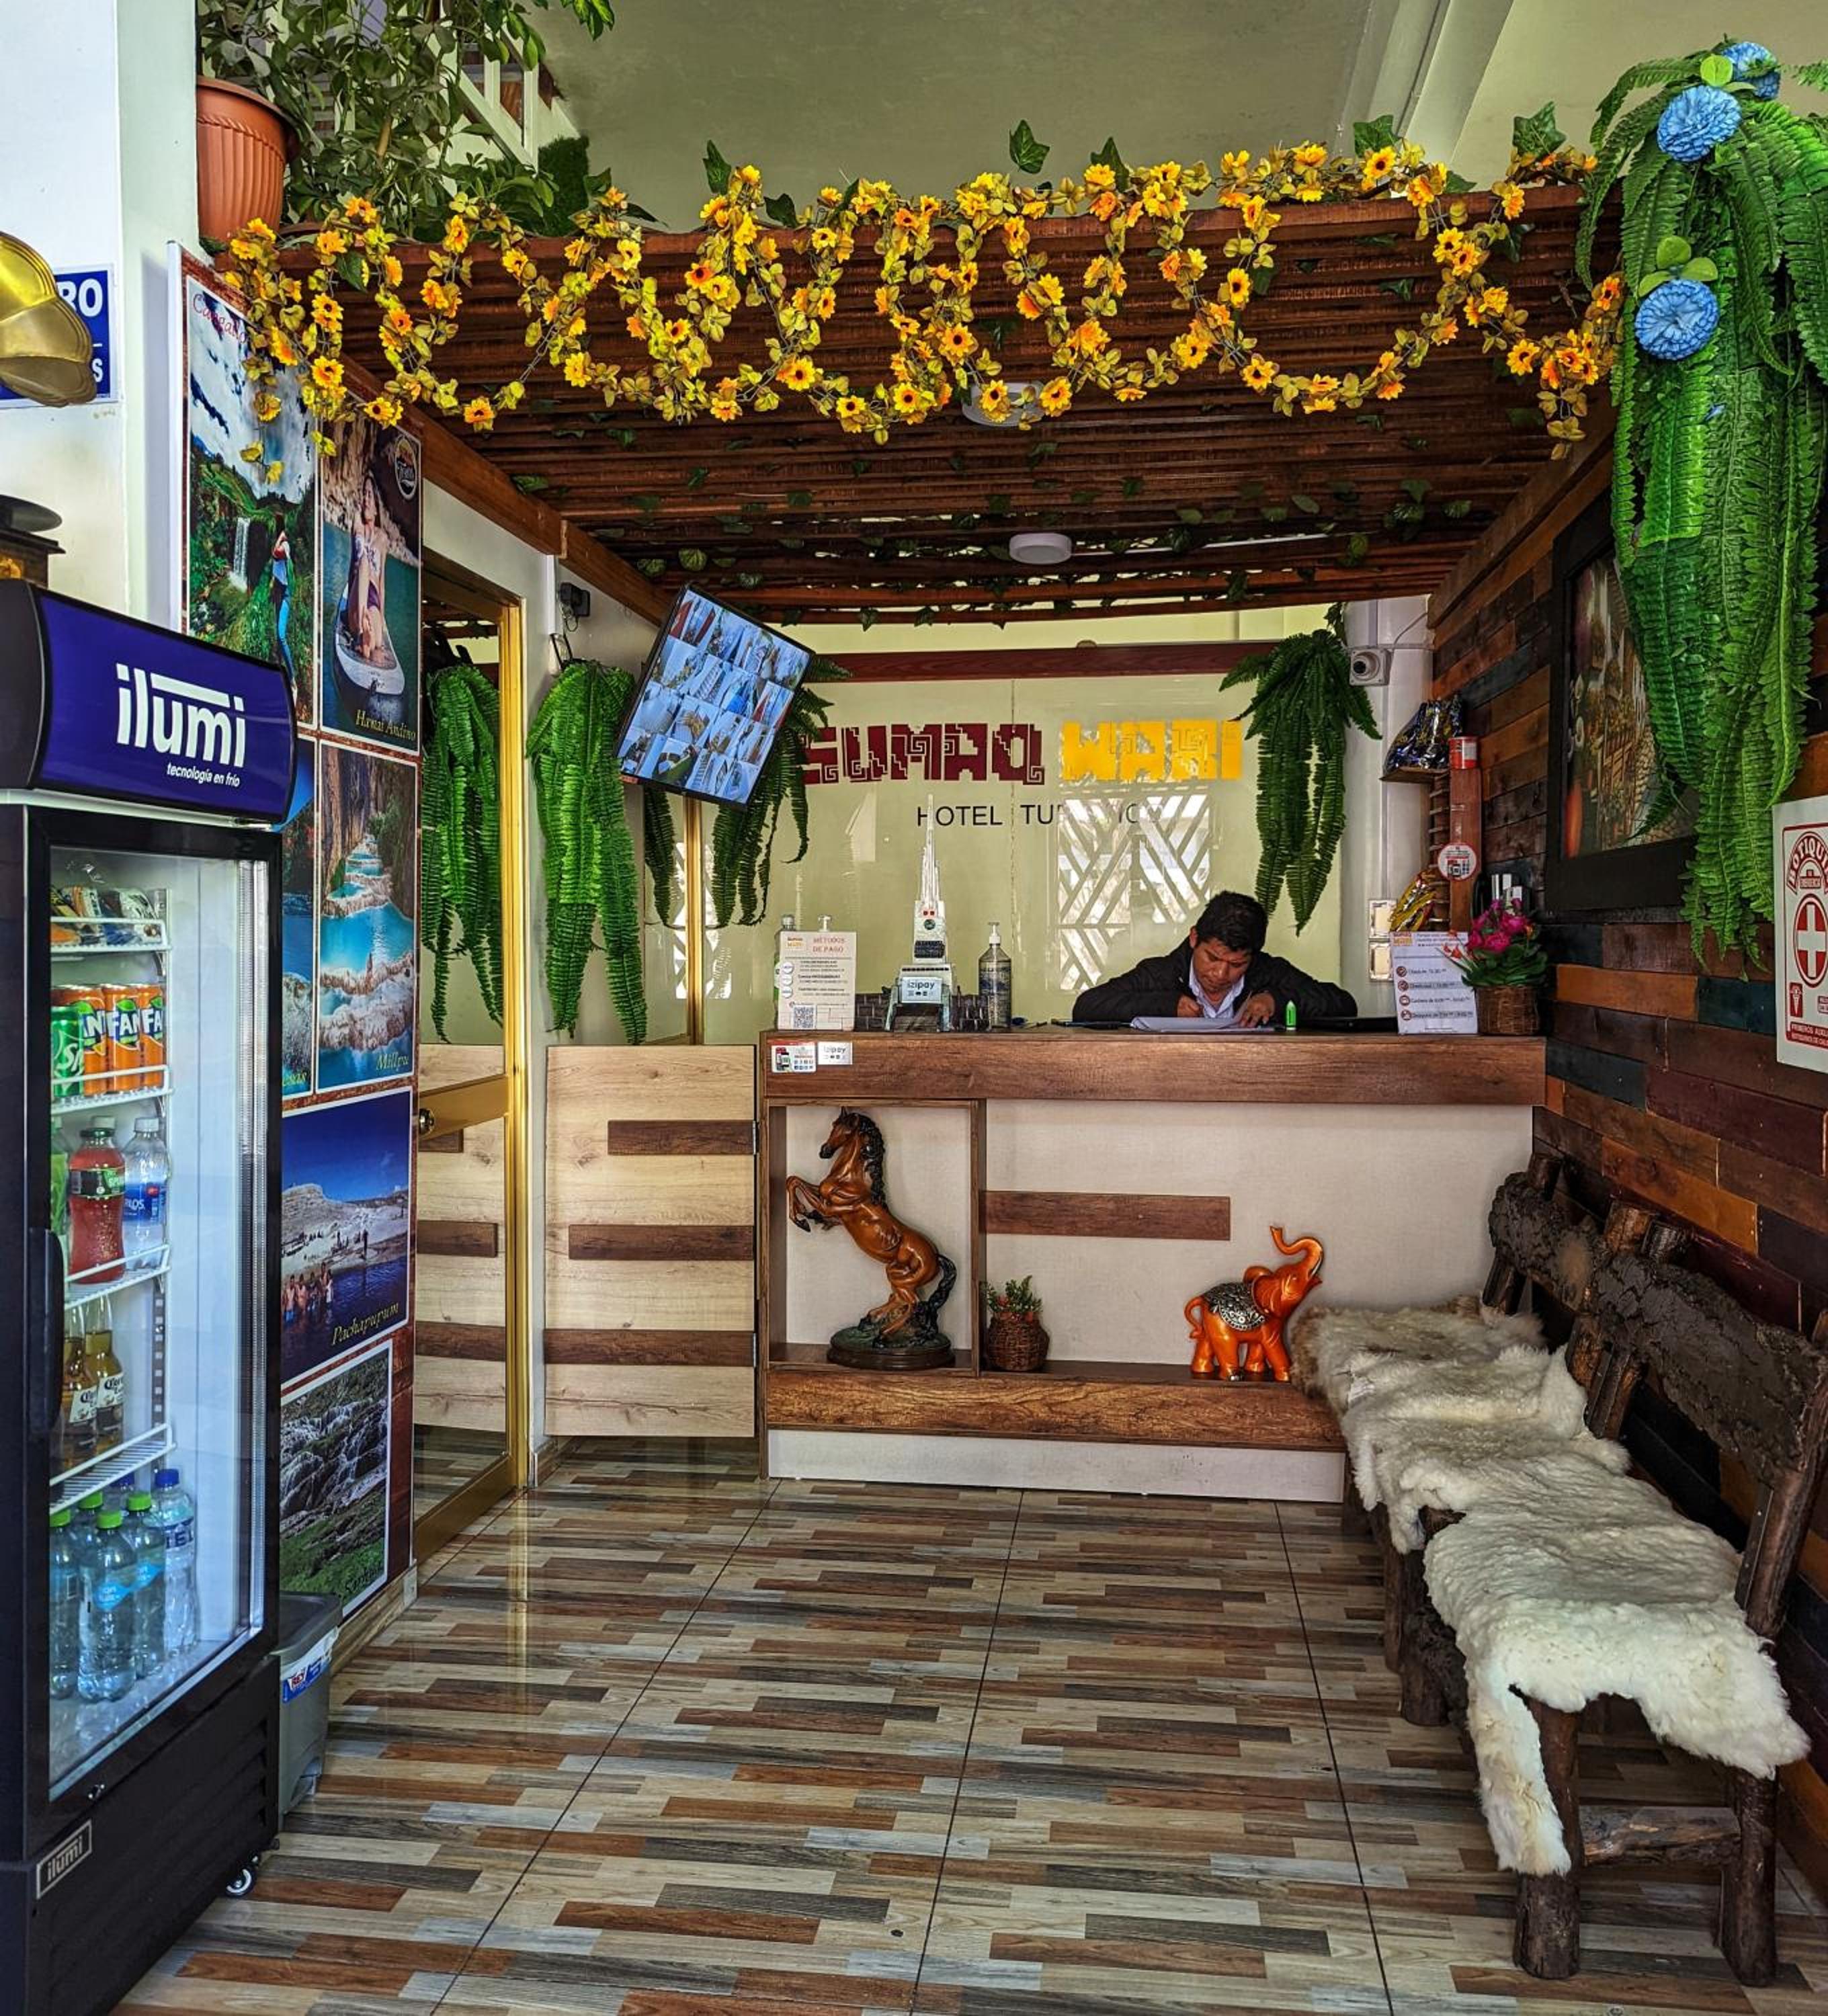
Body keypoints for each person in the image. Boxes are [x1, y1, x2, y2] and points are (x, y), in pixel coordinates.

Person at [1073, 890, 1357, 1026]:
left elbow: (1344, 1005)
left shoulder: (1268, 973)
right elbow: (1087, 1006)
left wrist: (1277, 1000)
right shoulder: (1162, 973)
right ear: (1194, 938)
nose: (1221, 974)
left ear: (1253, 956)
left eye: (1236, 965)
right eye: (1212, 958)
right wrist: (1165, 1005)